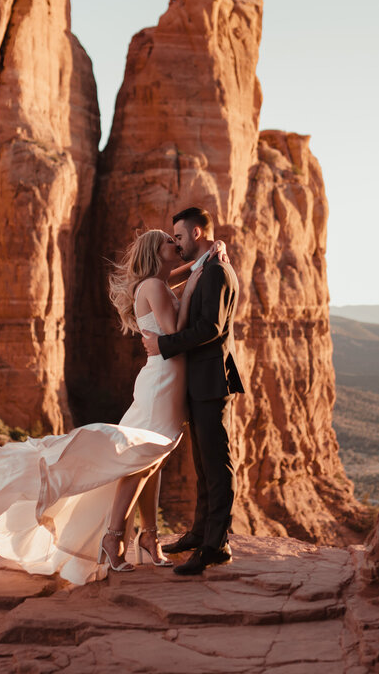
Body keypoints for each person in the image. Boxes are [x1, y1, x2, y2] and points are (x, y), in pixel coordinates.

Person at [0, 228, 213, 583]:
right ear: (157, 253)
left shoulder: (156, 283)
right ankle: (113, 538)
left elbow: (179, 283)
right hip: (162, 382)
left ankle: (148, 538)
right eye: (169, 242)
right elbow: (174, 332)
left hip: (166, 381)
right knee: (140, 460)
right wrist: (193, 288)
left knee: (149, 462)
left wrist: (201, 264)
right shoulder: (155, 288)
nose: (177, 244)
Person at [142, 206, 244, 576]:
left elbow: (211, 328)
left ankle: (216, 546)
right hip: (200, 379)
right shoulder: (207, 267)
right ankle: (201, 533)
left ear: (197, 233)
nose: (178, 244)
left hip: (210, 379)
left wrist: (164, 346)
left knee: (218, 466)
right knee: (204, 465)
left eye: (181, 237)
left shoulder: (216, 270)